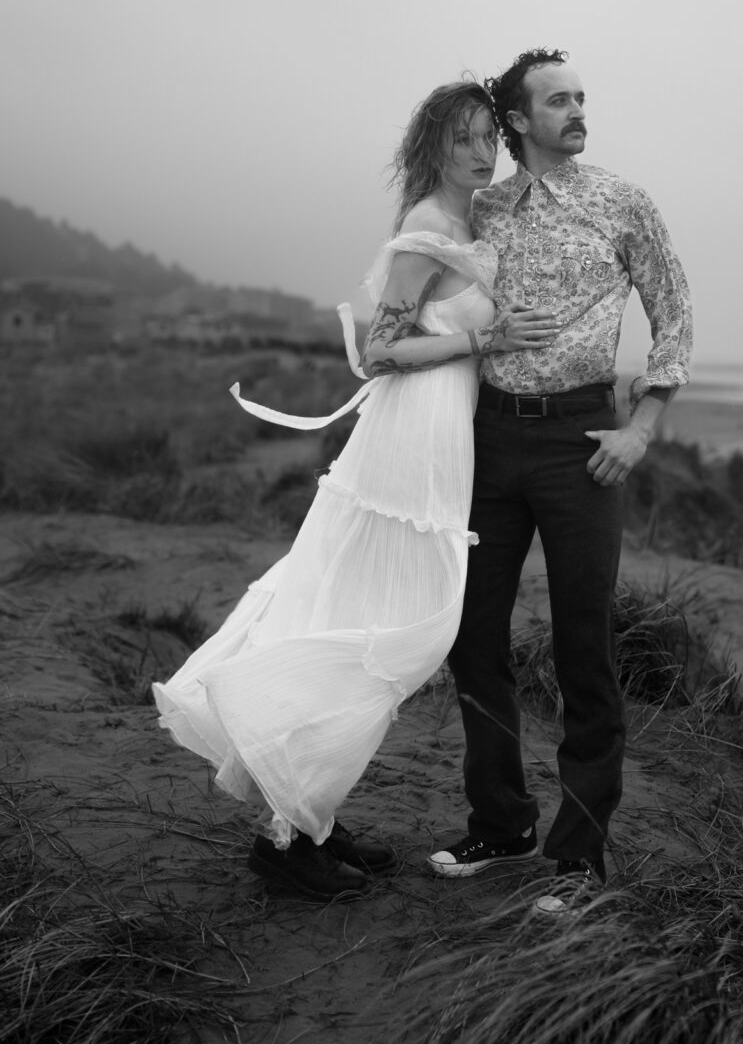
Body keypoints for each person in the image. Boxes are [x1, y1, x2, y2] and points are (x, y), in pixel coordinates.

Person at [153, 80, 556, 901]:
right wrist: (483, 336)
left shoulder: (469, 226)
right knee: (383, 623)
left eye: (490, 139)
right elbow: (380, 351)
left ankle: (308, 820)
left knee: (380, 619)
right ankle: (288, 834)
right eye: (464, 140)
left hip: (445, 441)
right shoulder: (424, 232)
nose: (482, 153)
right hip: (409, 446)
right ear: (432, 148)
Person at [427, 49, 693, 914]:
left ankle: (578, 860)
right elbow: (436, 308)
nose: (577, 111)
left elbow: (674, 314)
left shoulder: (622, 202)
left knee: (585, 648)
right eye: (557, 101)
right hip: (490, 439)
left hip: (585, 444)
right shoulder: (483, 208)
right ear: (516, 121)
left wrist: (642, 428)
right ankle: (500, 824)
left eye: (581, 97)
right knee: (471, 638)